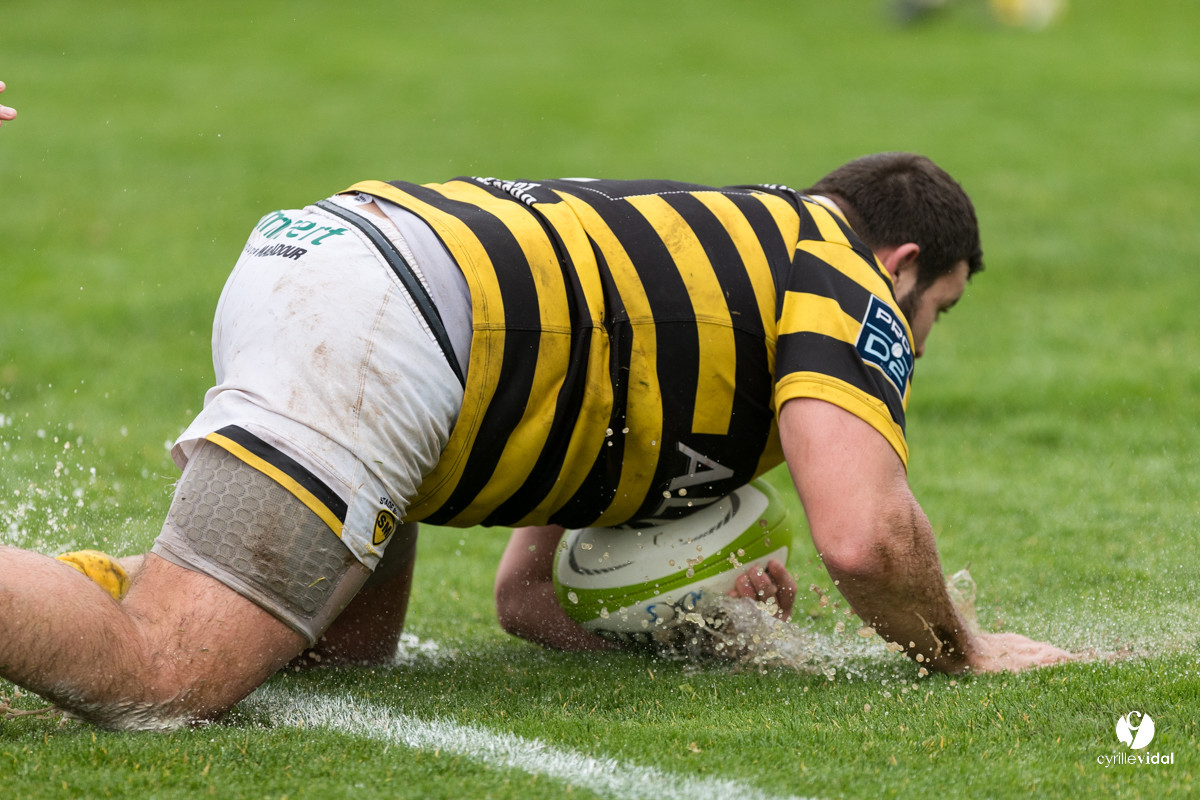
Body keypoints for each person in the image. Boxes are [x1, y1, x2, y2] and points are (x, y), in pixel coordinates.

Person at [0, 92, 1072, 728]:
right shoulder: (835, 267)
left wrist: (684, 618)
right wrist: (965, 648)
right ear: (904, 262)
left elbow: (527, 598)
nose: (920, 344)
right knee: (168, 671)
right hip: (396, 317)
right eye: (938, 311)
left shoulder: (707, 293)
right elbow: (864, 535)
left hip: (353, 267)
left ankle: (82, 582)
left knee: (339, 649)